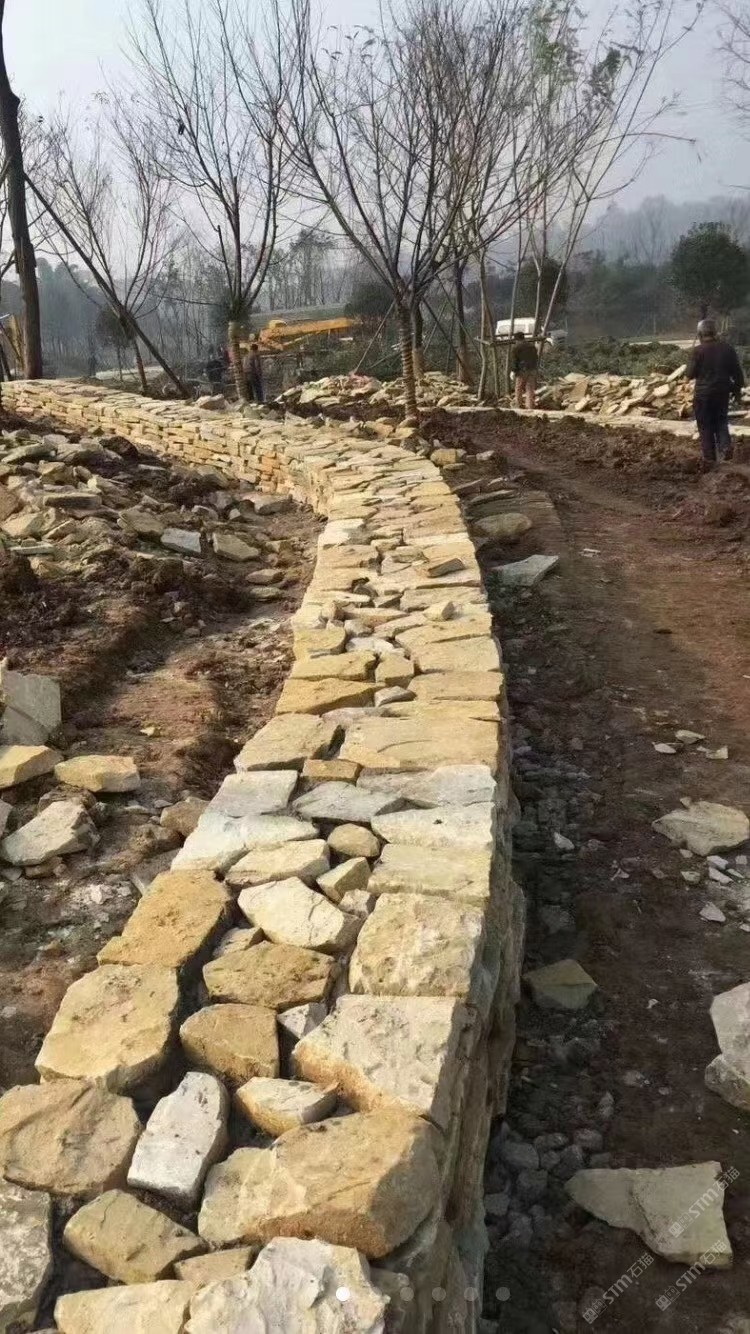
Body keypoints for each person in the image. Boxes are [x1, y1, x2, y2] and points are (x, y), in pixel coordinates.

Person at [685, 319, 745, 468]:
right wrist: (736, 390)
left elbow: (689, 374)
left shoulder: (697, 351)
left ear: (700, 334)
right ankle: (725, 446)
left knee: (705, 426)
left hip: (703, 395)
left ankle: (710, 459)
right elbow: (738, 375)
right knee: (721, 421)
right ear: (715, 332)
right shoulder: (728, 349)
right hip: (722, 393)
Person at [511, 331, 539, 409]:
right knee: (530, 388)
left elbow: (515, 361)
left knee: (518, 388)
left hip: (522, 370)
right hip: (532, 369)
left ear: (516, 339)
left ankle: (518, 405)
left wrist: (513, 371)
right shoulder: (532, 347)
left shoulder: (516, 348)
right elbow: (536, 358)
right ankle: (529, 407)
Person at [245, 340, 265, 404]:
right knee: (258, 388)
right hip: (253, 373)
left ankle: (251, 402)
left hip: (245, 374)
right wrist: (259, 374)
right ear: (256, 349)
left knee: (249, 389)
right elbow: (257, 365)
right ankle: (261, 401)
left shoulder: (246, 355)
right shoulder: (255, 354)